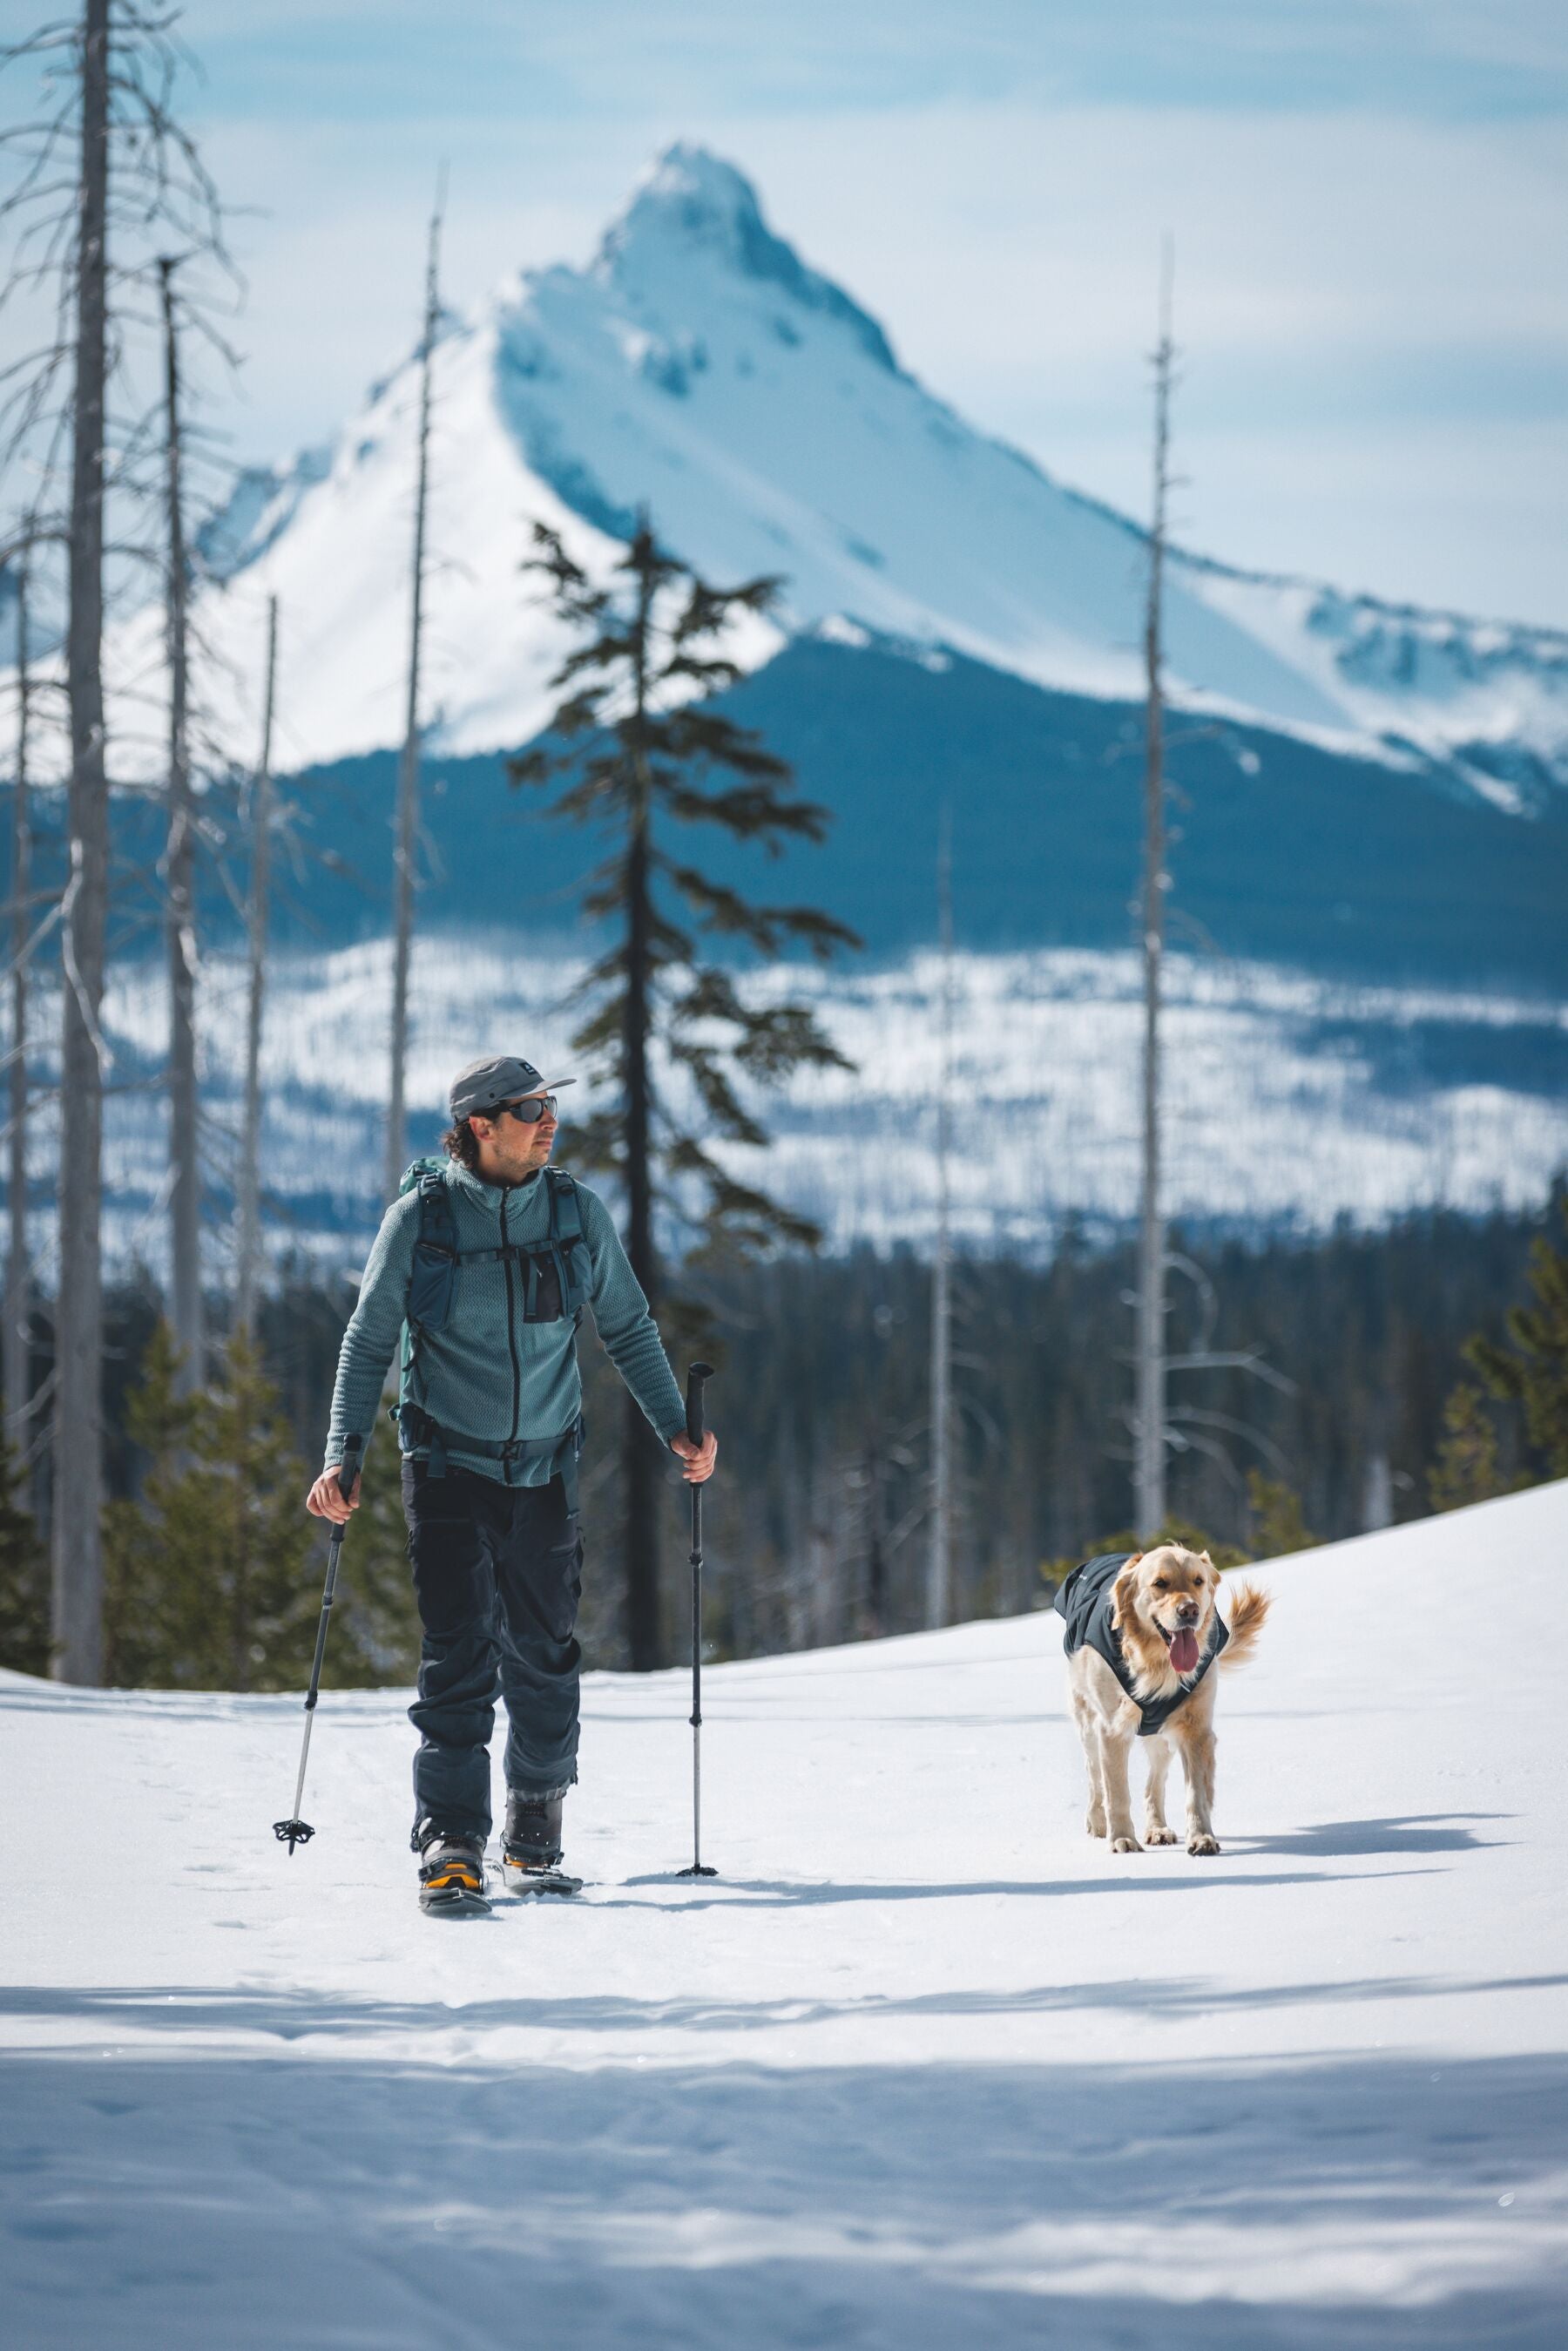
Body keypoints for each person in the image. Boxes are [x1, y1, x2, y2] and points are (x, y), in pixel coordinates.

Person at [305, 1054, 715, 1912]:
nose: (549, 1119)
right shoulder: (420, 1220)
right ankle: (452, 1838)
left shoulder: (573, 1212)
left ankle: (534, 1826)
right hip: (445, 1463)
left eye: (550, 1104)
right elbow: (368, 1339)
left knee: (545, 1649)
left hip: (543, 1469)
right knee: (458, 1651)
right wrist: (342, 1456)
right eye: (530, 1108)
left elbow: (629, 1326)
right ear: (480, 1126)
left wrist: (678, 1426)